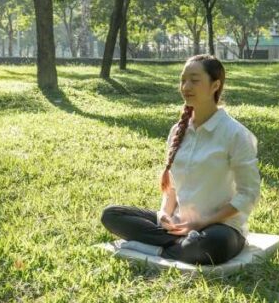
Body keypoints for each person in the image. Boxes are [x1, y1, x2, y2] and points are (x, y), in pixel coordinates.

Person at [101, 54, 261, 265]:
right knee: (111, 215)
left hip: (220, 227)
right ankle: (176, 246)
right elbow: (173, 185)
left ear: (215, 85)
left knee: (211, 246)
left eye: (194, 80)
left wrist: (203, 222)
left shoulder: (236, 134)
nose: (186, 86)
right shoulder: (178, 131)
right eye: (183, 80)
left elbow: (248, 194)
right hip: (179, 225)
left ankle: (154, 247)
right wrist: (165, 213)